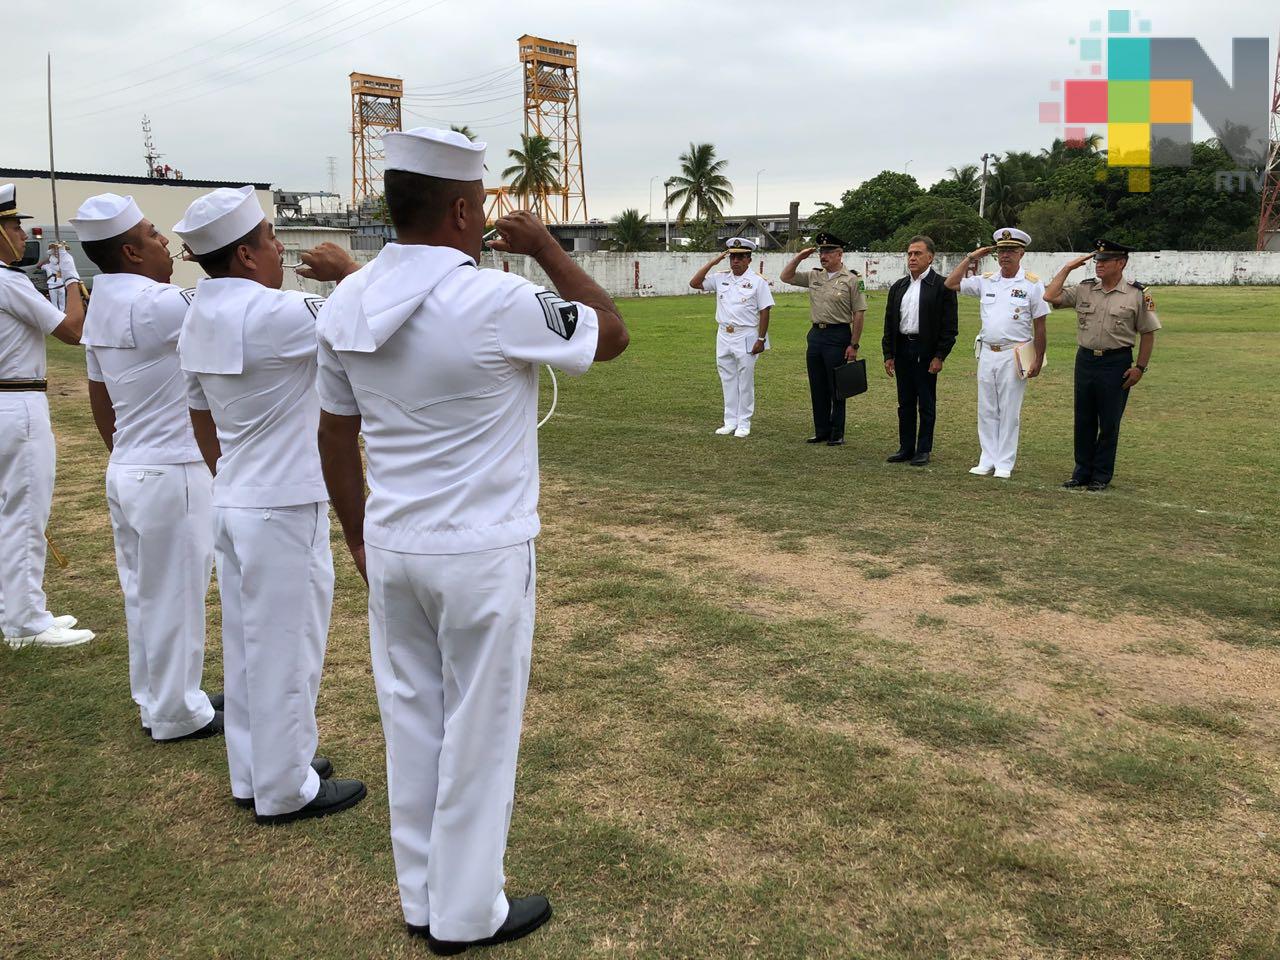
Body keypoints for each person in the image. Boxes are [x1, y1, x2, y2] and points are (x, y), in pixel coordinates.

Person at [312, 127, 628, 954]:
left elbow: (334, 438)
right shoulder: (494, 299)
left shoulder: (347, 300)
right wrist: (549, 250)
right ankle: (465, 912)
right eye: (482, 204)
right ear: (462, 208)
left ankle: (422, 896)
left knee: (412, 722)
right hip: (480, 549)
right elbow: (610, 332)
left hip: (394, 542)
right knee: (479, 734)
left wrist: (358, 536)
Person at [174, 186, 364, 823]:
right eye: (271, 239)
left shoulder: (197, 314)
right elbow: (372, 319)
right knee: (289, 648)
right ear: (249, 258)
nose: (281, 248)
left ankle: (257, 771)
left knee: (251, 646)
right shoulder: (279, 314)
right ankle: (287, 788)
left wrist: (230, 475)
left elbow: (200, 416)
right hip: (282, 503)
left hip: (234, 497)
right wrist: (351, 274)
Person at [71, 193, 223, 741]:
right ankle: (177, 710)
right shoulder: (160, 304)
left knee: (144, 593)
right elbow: (237, 308)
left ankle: (157, 697)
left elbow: (99, 397)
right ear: (132, 251)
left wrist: (124, 451)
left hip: (131, 465)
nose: (165, 243)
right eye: (154, 234)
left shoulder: (102, 303)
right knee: (176, 595)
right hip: (172, 468)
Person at [0, 183, 94, 649]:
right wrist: (72, 279)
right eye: (13, 224)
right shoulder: (7, 281)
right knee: (25, 512)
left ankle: (20, 610)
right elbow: (73, 331)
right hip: (18, 402)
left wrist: (55, 284)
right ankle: (24, 622)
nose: (21, 233)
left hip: (9, 400)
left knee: (12, 512)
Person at [1044, 239, 1160, 491]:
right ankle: (1081, 471)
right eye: (1097, 260)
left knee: (1109, 421)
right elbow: (1050, 296)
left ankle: (1101, 474)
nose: (1099, 265)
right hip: (1085, 359)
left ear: (1121, 263)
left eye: (1105, 261)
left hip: (1116, 362)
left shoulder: (1137, 293)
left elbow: (1148, 332)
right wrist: (1067, 268)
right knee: (1083, 418)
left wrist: (1140, 367)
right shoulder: (1085, 289)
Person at [944, 227, 1049, 479]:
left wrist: (1037, 358)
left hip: (1015, 353)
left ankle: (1004, 462)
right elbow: (951, 283)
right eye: (1001, 251)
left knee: (1009, 410)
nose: (1005, 256)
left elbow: (1041, 325)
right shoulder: (987, 280)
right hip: (987, 352)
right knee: (987, 408)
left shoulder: (1032, 284)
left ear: (1021, 253)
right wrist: (972, 257)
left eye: (1011, 250)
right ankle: (987, 458)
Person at [780, 230, 867, 446]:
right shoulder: (814, 276)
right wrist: (799, 257)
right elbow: (786, 277)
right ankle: (821, 430)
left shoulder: (853, 279)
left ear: (840, 254)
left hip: (838, 335)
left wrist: (853, 344)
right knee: (817, 385)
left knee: (836, 386)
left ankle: (837, 433)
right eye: (821, 251)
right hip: (816, 335)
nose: (823, 256)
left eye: (828, 251)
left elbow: (859, 313)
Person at [881, 235, 958, 466]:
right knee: (904, 402)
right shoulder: (899, 286)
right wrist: (888, 354)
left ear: (930, 257)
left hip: (925, 351)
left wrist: (939, 355)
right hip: (903, 347)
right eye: (910, 253)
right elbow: (889, 322)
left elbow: (949, 327)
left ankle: (923, 449)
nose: (912, 258)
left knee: (925, 401)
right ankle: (906, 447)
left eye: (918, 253)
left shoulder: (942, 286)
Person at [688, 237, 774, 437]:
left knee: (745, 380)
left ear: (748, 259)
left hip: (747, 334)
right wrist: (713, 262)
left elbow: (765, 311)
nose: (735, 261)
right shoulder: (721, 277)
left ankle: (744, 422)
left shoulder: (757, 282)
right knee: (727, 378)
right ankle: (729, 421)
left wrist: (761, 339)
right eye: (732, 257)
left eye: (740, 257)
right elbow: (695, 283)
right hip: (724, 333)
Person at [39, 247, 68, 312]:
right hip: (52, 286)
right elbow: (38, 266)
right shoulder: (47, 266)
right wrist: (47, 259)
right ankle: (57, 314)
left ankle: (62, 314)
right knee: (54, 302)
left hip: (61, 285)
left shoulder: (61, 265)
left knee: (62, 302)